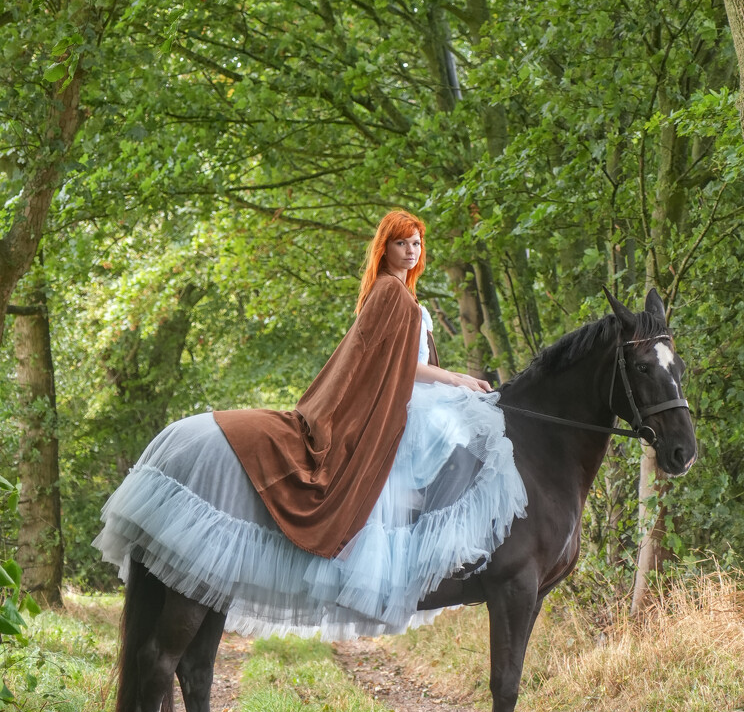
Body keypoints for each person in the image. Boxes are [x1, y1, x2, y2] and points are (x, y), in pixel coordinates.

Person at [94, 210, 528, 639]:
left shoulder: (402, 295)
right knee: (461, 433)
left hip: (406, 395)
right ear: (386, 248)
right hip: (398, 400)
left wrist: (454, 382)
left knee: (459, 432)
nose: (411, 251)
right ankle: (426, 551)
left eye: (416, 243)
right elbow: (398, 367)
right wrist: (455, 378)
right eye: (402, 243)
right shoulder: (391, 294)